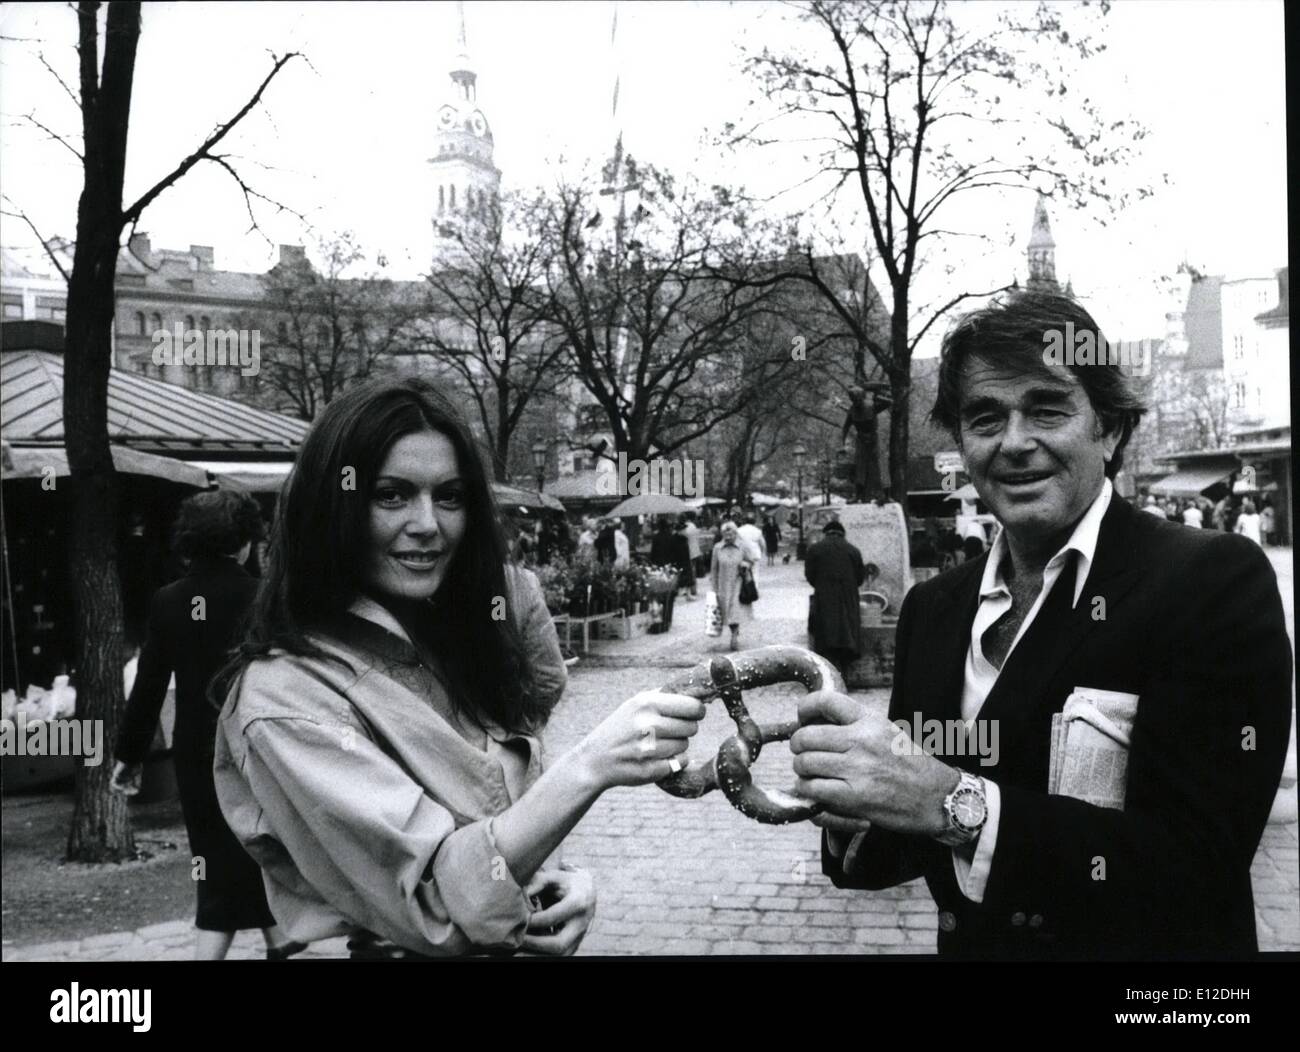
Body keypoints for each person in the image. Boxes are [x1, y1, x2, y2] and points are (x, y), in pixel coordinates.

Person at [792, 291, 1291, 959]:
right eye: (985, 417)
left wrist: (948, 800)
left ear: (1109, 429)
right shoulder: (934, 608)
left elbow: (1200, 863)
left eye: (1048, 409)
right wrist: (853, 804)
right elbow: (907, 845)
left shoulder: (1211, 582)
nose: (1015, 443)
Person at [212, 378, 705, 959]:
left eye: (449, 496)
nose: (428, 523)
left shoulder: (455, 640)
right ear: (332, 505)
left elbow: (500, 828)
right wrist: (590, 766)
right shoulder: (288, 696)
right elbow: (437, 902)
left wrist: (560, 884)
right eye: (391, 495)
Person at [111, 490, 299, 961]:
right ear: (244, 543)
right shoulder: (264, 599)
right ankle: (277, 938)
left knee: (211, 852)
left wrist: (129, 757)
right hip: (258, 744)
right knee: (254, 839)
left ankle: (224, 946)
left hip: (196, 751)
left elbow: (148, 688)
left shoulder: (168, 602)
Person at [804, 520, 866, 679]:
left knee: (826, 635)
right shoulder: (853, 550)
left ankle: (828, 676)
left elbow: (810, 576)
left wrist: (821, 584)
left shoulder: (815, 550)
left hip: (824, 599)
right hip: (848, 599)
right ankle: (845, 673)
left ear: (826, 533)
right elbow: (860, 578)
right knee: (847, 634)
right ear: (842, 534)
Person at [710, 520, 755, 652]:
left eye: (731, 534)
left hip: (738, 583)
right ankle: (733, 630)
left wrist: (746, 565)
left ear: (735, 533)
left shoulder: (742, 546)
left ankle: (734, 635)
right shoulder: (717, 548)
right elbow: (713, 569)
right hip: (723, 584)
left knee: (734, 608)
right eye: (725, 534)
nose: (728, 537)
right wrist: (714, 587)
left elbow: (751, 560)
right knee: (726, 612)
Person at [681, 515, 702, 595]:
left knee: (690, 572)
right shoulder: (693, 525)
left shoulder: (686, 528)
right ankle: (694, 589)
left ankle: (692, 590)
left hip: (689, 552)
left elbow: (683, 537)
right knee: (693, 571)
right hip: (695, 551)